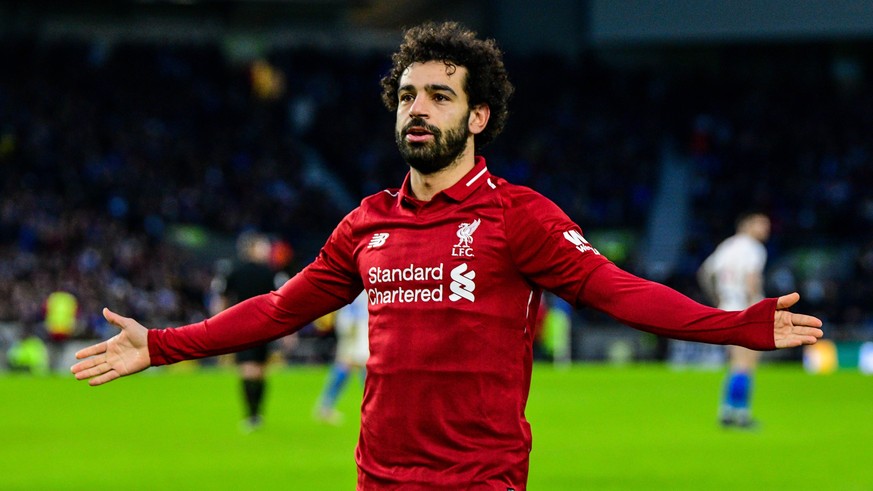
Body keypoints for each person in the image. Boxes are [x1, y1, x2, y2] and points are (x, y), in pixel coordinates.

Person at [72, 21, 823, 490]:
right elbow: (279, 308)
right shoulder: (365, 224)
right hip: (377, 477)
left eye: (438, 94)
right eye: (407, 95)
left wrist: (736, 326)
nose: (418, 108)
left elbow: (615, 290)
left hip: (479, 479)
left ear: (478, 113)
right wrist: (164, 345)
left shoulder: (518, 216)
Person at [697, 212, 772, 429]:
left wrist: (717, 298)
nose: (765, 229)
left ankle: (728, 410)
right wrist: (754, 309)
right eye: (761, 224)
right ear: (747, 224)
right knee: (746, 363)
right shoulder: (753, 248)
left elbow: (705, 273)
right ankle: (739, 413)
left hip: (726, 307)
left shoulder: (727, 246)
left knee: (737, 363)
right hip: (745, 309)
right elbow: (752, 278)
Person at [210, 231, 280, 432]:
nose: (266, 249)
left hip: (244, 326)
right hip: (263, 326)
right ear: (251, 248)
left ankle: (253, 415)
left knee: (253, 370)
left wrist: (219, 322)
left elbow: (221, 297)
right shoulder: (269, 272)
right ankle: (255, 414)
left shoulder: (234, 270)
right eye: (263, 245)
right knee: (257, 370)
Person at [314, 291, 369, 425]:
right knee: (364, 364)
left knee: (348, 364)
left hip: (350, 321)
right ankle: (374, 407)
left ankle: (325, 406)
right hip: (358, 323)